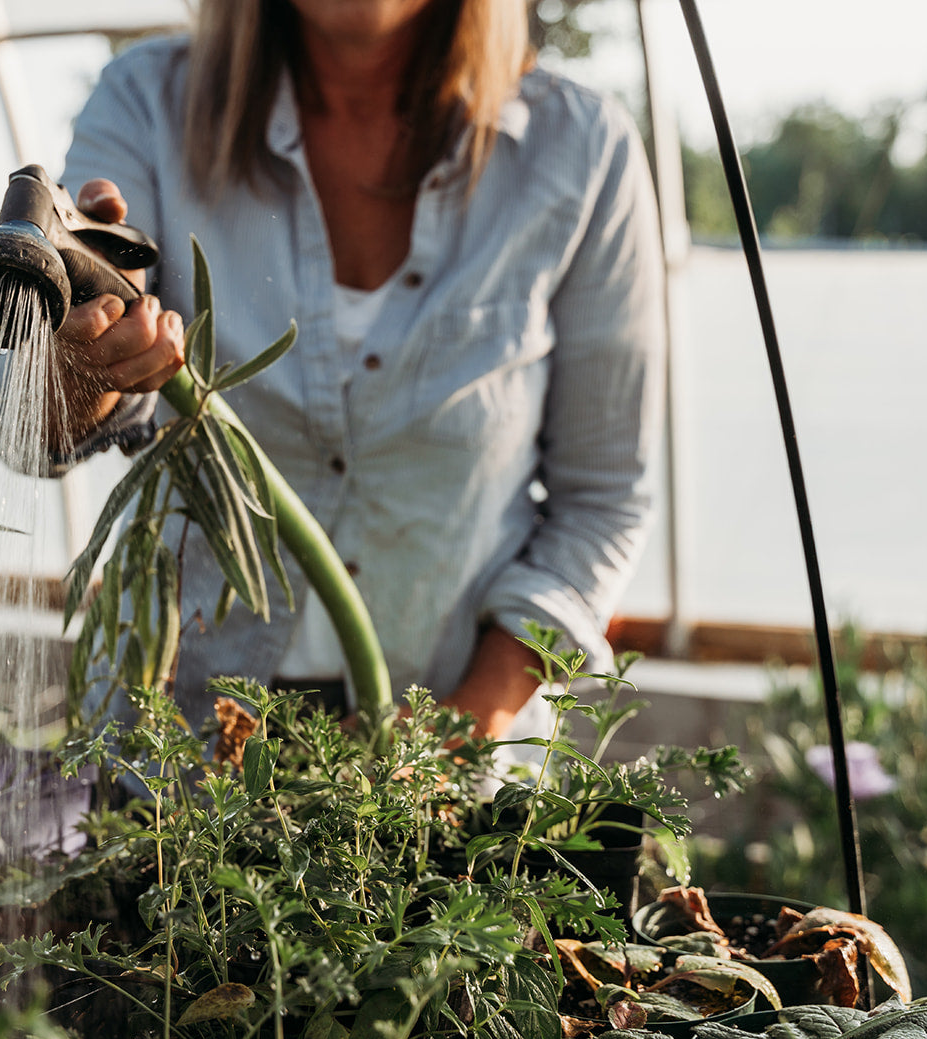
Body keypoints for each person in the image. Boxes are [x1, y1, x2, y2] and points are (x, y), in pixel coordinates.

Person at [49, 0, 664, 744]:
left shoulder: (580, 150)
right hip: (178, 743)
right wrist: (85, 356)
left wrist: (466, 726)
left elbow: (602, 498)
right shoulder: (148, 102)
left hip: (447, 752)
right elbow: (34, 421)